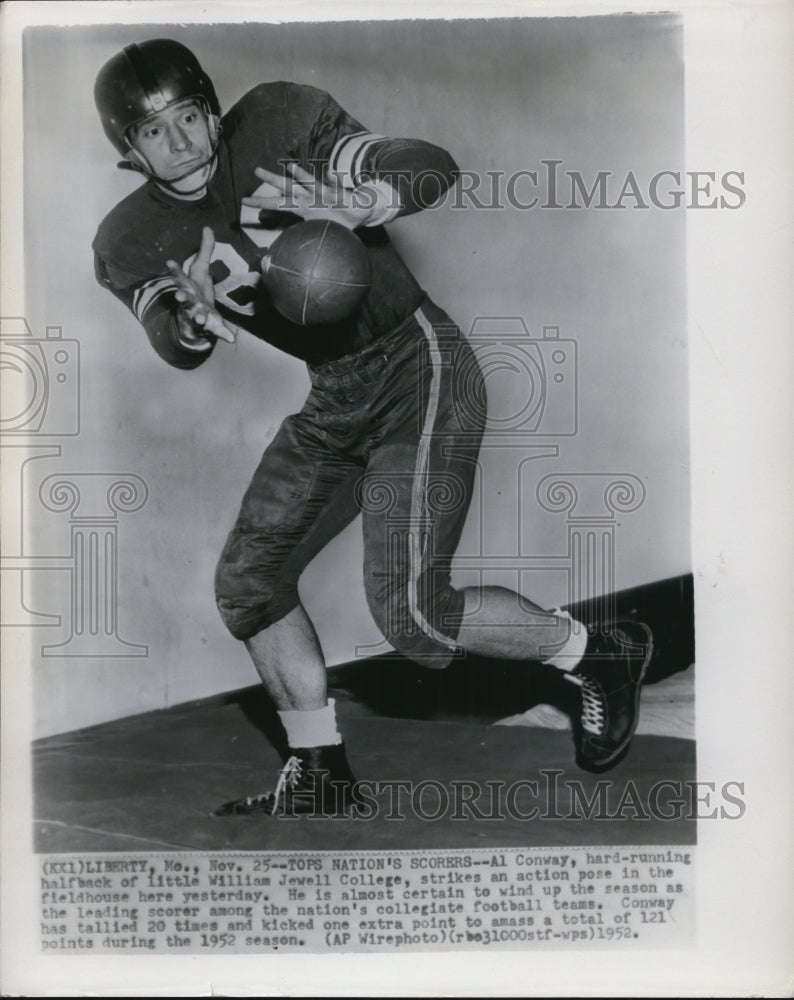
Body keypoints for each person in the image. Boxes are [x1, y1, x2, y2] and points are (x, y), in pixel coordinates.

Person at [92, 38, 653, 816]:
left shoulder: (279, 121)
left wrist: (380, 195)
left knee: (416, 618)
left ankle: (602, 652)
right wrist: (186, 320)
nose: (180, 142)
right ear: (130, 151)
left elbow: (427, 161)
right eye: (153, 132)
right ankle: (318, 765)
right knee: (248, 585)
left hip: (419, 363)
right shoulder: (129, 236)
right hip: (336, 394)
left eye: (188, 116)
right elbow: (170, 340)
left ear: (214, 110)